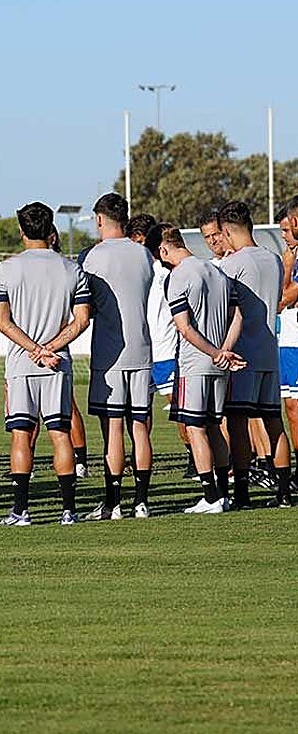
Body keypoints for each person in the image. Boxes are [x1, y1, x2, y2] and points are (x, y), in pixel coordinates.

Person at [0, 202, 91, 526]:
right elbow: (82, 320)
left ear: (21, 231)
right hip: (57, 364)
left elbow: (2, 321)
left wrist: (35, 349)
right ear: (51, 230)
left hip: (22, 365)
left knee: (21, 436)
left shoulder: (5, 269)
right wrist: (50, 348)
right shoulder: (72, 269)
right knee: (60, 434)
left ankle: (21, 511)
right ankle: (69, 511)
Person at [147, 223, 245, 513]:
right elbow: (237, 316)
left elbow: (185, 328)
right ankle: (223, 494)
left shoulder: (178, 276)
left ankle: (210, 497)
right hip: (221, 364)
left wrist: (214, 353)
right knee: (215, 426)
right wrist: (224, 351)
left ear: (163, 250)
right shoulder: (217, 271)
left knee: (195, 428)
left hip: (194, 363)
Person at [81, 193, 155, 521]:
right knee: (139, 427)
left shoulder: (92, 257)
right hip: (142, 349)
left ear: (100, 219)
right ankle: (141, 502)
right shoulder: (143, 254)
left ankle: (113, 503)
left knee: (112, 429)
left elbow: (86, 305)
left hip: (110, 353)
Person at [215, 201, 291, 509]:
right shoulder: (273, 259)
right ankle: (284, 492)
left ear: (227, 231)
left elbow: (225, 310)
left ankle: (243, 493)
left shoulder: (231, 265)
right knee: (274, 422)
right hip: (269, 351)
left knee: (238, 422)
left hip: (242, 355)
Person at [130, 213, 195, 480]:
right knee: (140, 413)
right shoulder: (138, 273)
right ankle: (138, 459)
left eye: (141, 242)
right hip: (143, 353)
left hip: (167, 352)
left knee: (181, 410)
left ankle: (194, 457)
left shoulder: (166, 272)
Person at [277, 203, 298, 472]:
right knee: (291, 408)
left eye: (286, 229)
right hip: (288, 341)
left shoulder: (291, 260)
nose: (284, 236)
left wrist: (287, 266)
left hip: (296, 343)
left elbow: (283, 298)